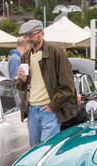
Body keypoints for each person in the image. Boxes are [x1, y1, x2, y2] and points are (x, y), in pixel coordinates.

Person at [15, 19, 77, 147]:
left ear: (41, 34)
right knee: (34, 150)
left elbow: (68, 87)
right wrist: (22, 79)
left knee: (46, 150)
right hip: (31, 110)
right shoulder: (26, 55)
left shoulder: (57, 53)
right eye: (25, 36)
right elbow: (21, 87)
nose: (27, 39)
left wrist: (52, 106)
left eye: (31, 35)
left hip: (48, 110)